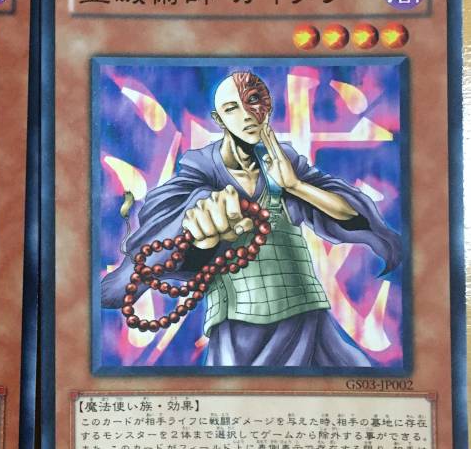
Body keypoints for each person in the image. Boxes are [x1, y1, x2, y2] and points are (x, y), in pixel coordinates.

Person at [101, 70, 401, 367]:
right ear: (219, 119)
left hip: (307, 317)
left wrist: (296, 186)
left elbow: (351, 214)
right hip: (238, 327)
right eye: (232, 108)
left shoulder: (283, 161)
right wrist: (202, 232)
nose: (246, 115)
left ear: (266, 106)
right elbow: (176, 226)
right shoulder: (201, 169)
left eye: (253, 100)